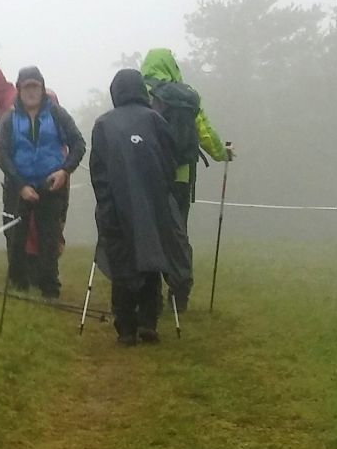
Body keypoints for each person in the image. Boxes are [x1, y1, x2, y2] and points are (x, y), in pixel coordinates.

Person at [90, 69, 193, 345]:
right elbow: (169, 161)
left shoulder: (103, 125)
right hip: (154, 203)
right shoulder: (155, 120)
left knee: (123, 262)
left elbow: (98, 171)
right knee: (153, 257)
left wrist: (106, 204)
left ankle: (125, 328)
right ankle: (149, 321)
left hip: (116, 207)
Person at [141, 48, 234, 311]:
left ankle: (149, 293)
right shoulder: (186, 95)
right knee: (177, 233)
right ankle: (179, 290)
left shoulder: (140, 92)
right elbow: (204, 131)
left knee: (148, 232)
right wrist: (221, 153)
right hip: (181, 178)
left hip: (149, 177)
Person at [0, 66, 85, 298]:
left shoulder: (57, 114)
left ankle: (49, 288)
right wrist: (20, 185)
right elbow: (3, 155)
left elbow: (78, 143)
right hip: (19, 185)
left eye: (35, 86)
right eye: (26, 87)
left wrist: (65, 171)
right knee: (16, 237)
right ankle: (18, 284)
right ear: (19, 90)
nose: (31, 92)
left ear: (43, 88)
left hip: (51, 184)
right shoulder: (9, 119)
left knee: (49, 238)